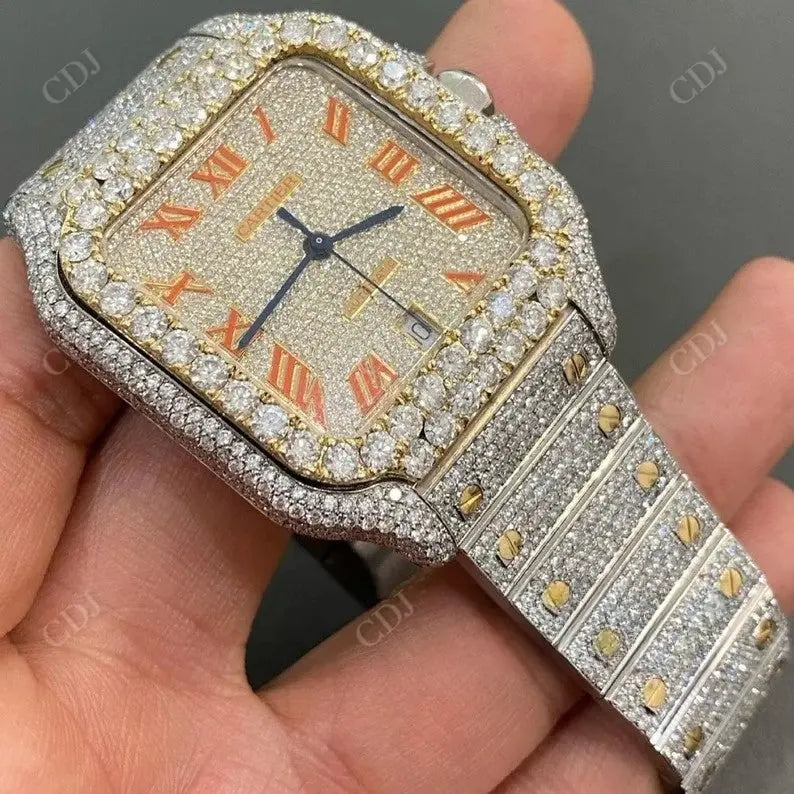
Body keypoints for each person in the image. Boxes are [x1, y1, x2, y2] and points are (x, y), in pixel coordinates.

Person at [1, 1, 792, 791]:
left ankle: (718, 646)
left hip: (534, 337)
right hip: (402, 456)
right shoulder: (84, 251)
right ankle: (701, 673)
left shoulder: (278, 55)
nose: (314, 245)